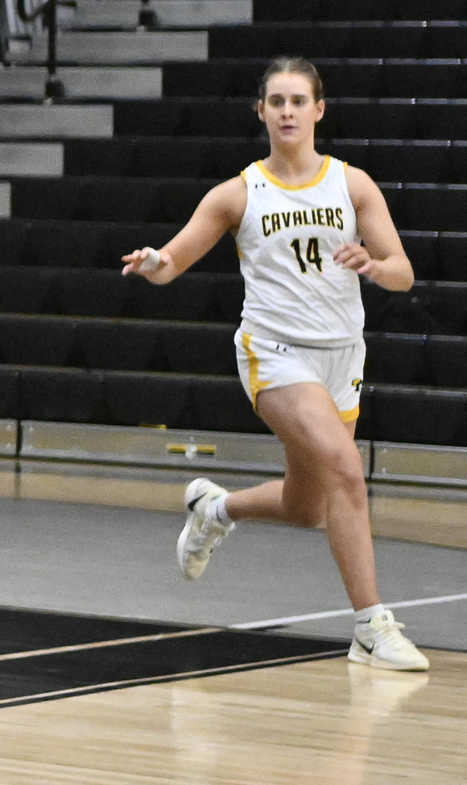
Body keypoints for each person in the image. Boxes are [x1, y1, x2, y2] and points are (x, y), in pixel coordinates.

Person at [125, 55, 428, 671]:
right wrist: (154, 263)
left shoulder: (353, 184)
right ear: (261, 112)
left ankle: (214, 509)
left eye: (298, 101)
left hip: (342, 354)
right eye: (276, 101)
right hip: (274, 353)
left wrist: (373, 264)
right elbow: (173, 262)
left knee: (308, 505)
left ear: (318, 110)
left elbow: (403, 272)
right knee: (346, 467)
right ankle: (371, 628)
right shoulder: (237, 193)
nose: (287, 111)